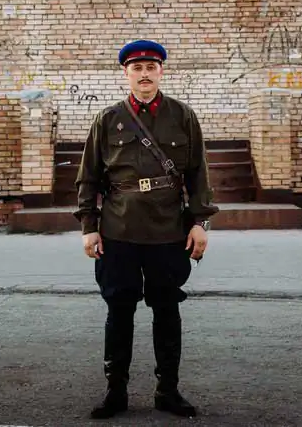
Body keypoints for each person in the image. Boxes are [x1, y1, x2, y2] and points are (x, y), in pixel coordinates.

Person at [73, 39, 219, 419]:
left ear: (161, 71)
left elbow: (199, 175)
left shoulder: (182, 116)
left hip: (168, 232)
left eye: (150, 67)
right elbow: (88, 177)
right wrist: (89, 226)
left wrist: (200, 223)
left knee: (167, 310)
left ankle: (167, 390)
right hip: (118, 231)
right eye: (136, 68)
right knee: (119, 312)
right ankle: (115, 391)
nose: (144, 74)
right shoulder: (107, 119)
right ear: (126, 73)